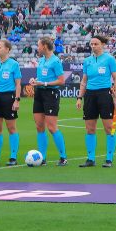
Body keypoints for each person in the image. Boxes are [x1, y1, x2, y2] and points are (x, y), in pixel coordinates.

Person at [77, 35, 116, 168]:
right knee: (90, 128)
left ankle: (109, 159)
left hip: (104, 94)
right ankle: (90, 159)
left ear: (102, 45)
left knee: (109, 128)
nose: (93, 46)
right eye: (92, 44)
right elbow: (84, 81)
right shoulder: (87, 61)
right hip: (90, 95)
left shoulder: (109, 59)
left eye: (96, 44)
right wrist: (79, 97)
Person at [29, 37, 68, 166]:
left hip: (50, 94)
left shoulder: (55, 61)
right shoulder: (41, 60)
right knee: (39, 126)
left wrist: (44, 83)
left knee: (51, 127)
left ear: (45, 46)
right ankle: (42, 158)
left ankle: (63, 157)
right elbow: (42, 77)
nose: (37, 48)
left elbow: (61, 81)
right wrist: (35, 80)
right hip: (39, 93)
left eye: (39, 45)